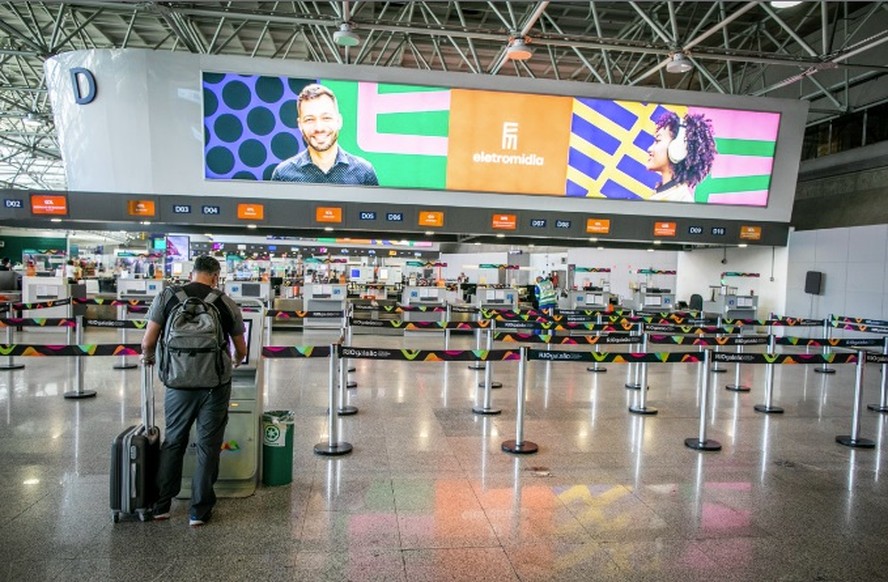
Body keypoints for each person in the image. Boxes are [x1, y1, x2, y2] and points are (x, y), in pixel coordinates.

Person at [141, 255, 248, 527]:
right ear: (215, 276)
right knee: (208, 445)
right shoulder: (224, 302)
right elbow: (241, 349)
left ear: (192, 273)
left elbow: (147, 342)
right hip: (214, 384)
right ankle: (198, 512)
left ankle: (162, 505)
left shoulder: (167, 297)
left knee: (174, 441)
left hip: (177, 384)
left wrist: (152, 359)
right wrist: (233, 362)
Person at [271, 84, 379, 185]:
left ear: (339, 121)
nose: (319, 128)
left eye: (326, 118)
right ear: (300, 125)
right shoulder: (283, 175)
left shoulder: (364, 172)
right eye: (309, 119)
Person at [645, 111, 717, 202]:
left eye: (658, 141)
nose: (649, 148)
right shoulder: (667, 194)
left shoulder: (681, 201)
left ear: (678, 149)